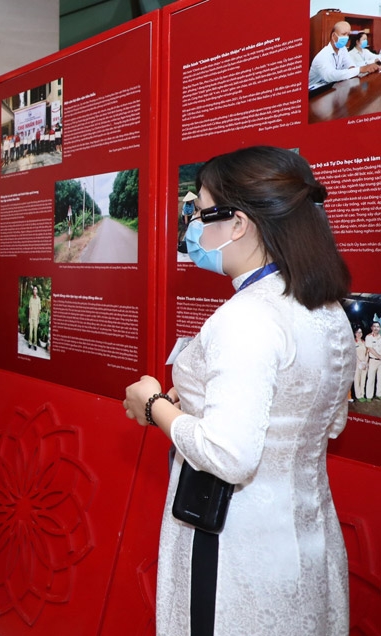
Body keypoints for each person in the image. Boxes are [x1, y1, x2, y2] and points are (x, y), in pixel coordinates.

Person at [123, 146, 354, 635]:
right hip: (307, 534)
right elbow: (327, 421)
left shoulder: (246, 318)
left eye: (201, 213)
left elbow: (229, 455)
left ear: (240, 224)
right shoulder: (326, 310)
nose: (195, 228)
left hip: (232, 540)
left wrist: (154, 404)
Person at [309, 21, 378, 90]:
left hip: (332, 88)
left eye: (348, 35)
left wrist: (362, 69)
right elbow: (330, 76)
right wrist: (360, 69)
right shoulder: (323, 55)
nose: (346, 38)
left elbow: (350, 65)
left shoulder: (343, 49)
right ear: (333, 36)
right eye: (343, 34)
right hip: (314, 93)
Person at [366, 321, 381, 400]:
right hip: (373, 360)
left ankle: (379, 394)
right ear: (371, 328)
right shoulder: (368, 337)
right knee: (371, 378)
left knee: (380, 378)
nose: (376, 328)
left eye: (377, 326)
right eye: (374, 326)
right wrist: (379, 356)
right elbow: (370, 349)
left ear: (379, 328)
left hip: (380, 362)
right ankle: (369, 396)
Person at [353, 326, 368, 401]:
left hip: (364, 364)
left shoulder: (364, 342)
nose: (359, 334)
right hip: (357, 364)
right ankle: (358, 395)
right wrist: (360, 363)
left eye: (360, 332)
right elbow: (353, 354)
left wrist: (365, 362)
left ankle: (362, 394)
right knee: (357, 379)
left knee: (363, 379)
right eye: (358, 332)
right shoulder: (353, 342)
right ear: (355, 333)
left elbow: (367, 352)